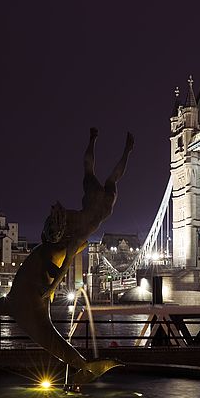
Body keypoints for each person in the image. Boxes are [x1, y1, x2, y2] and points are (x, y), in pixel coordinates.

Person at [39, 127, 133, 301]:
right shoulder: (67, 215)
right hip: (93, 201)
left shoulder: (78, 236)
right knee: (91, 171)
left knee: (109, 177)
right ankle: (95, 140)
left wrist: (51, 289)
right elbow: (51, 222)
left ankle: (123, 149)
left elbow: (65, 267)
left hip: (103, 207)